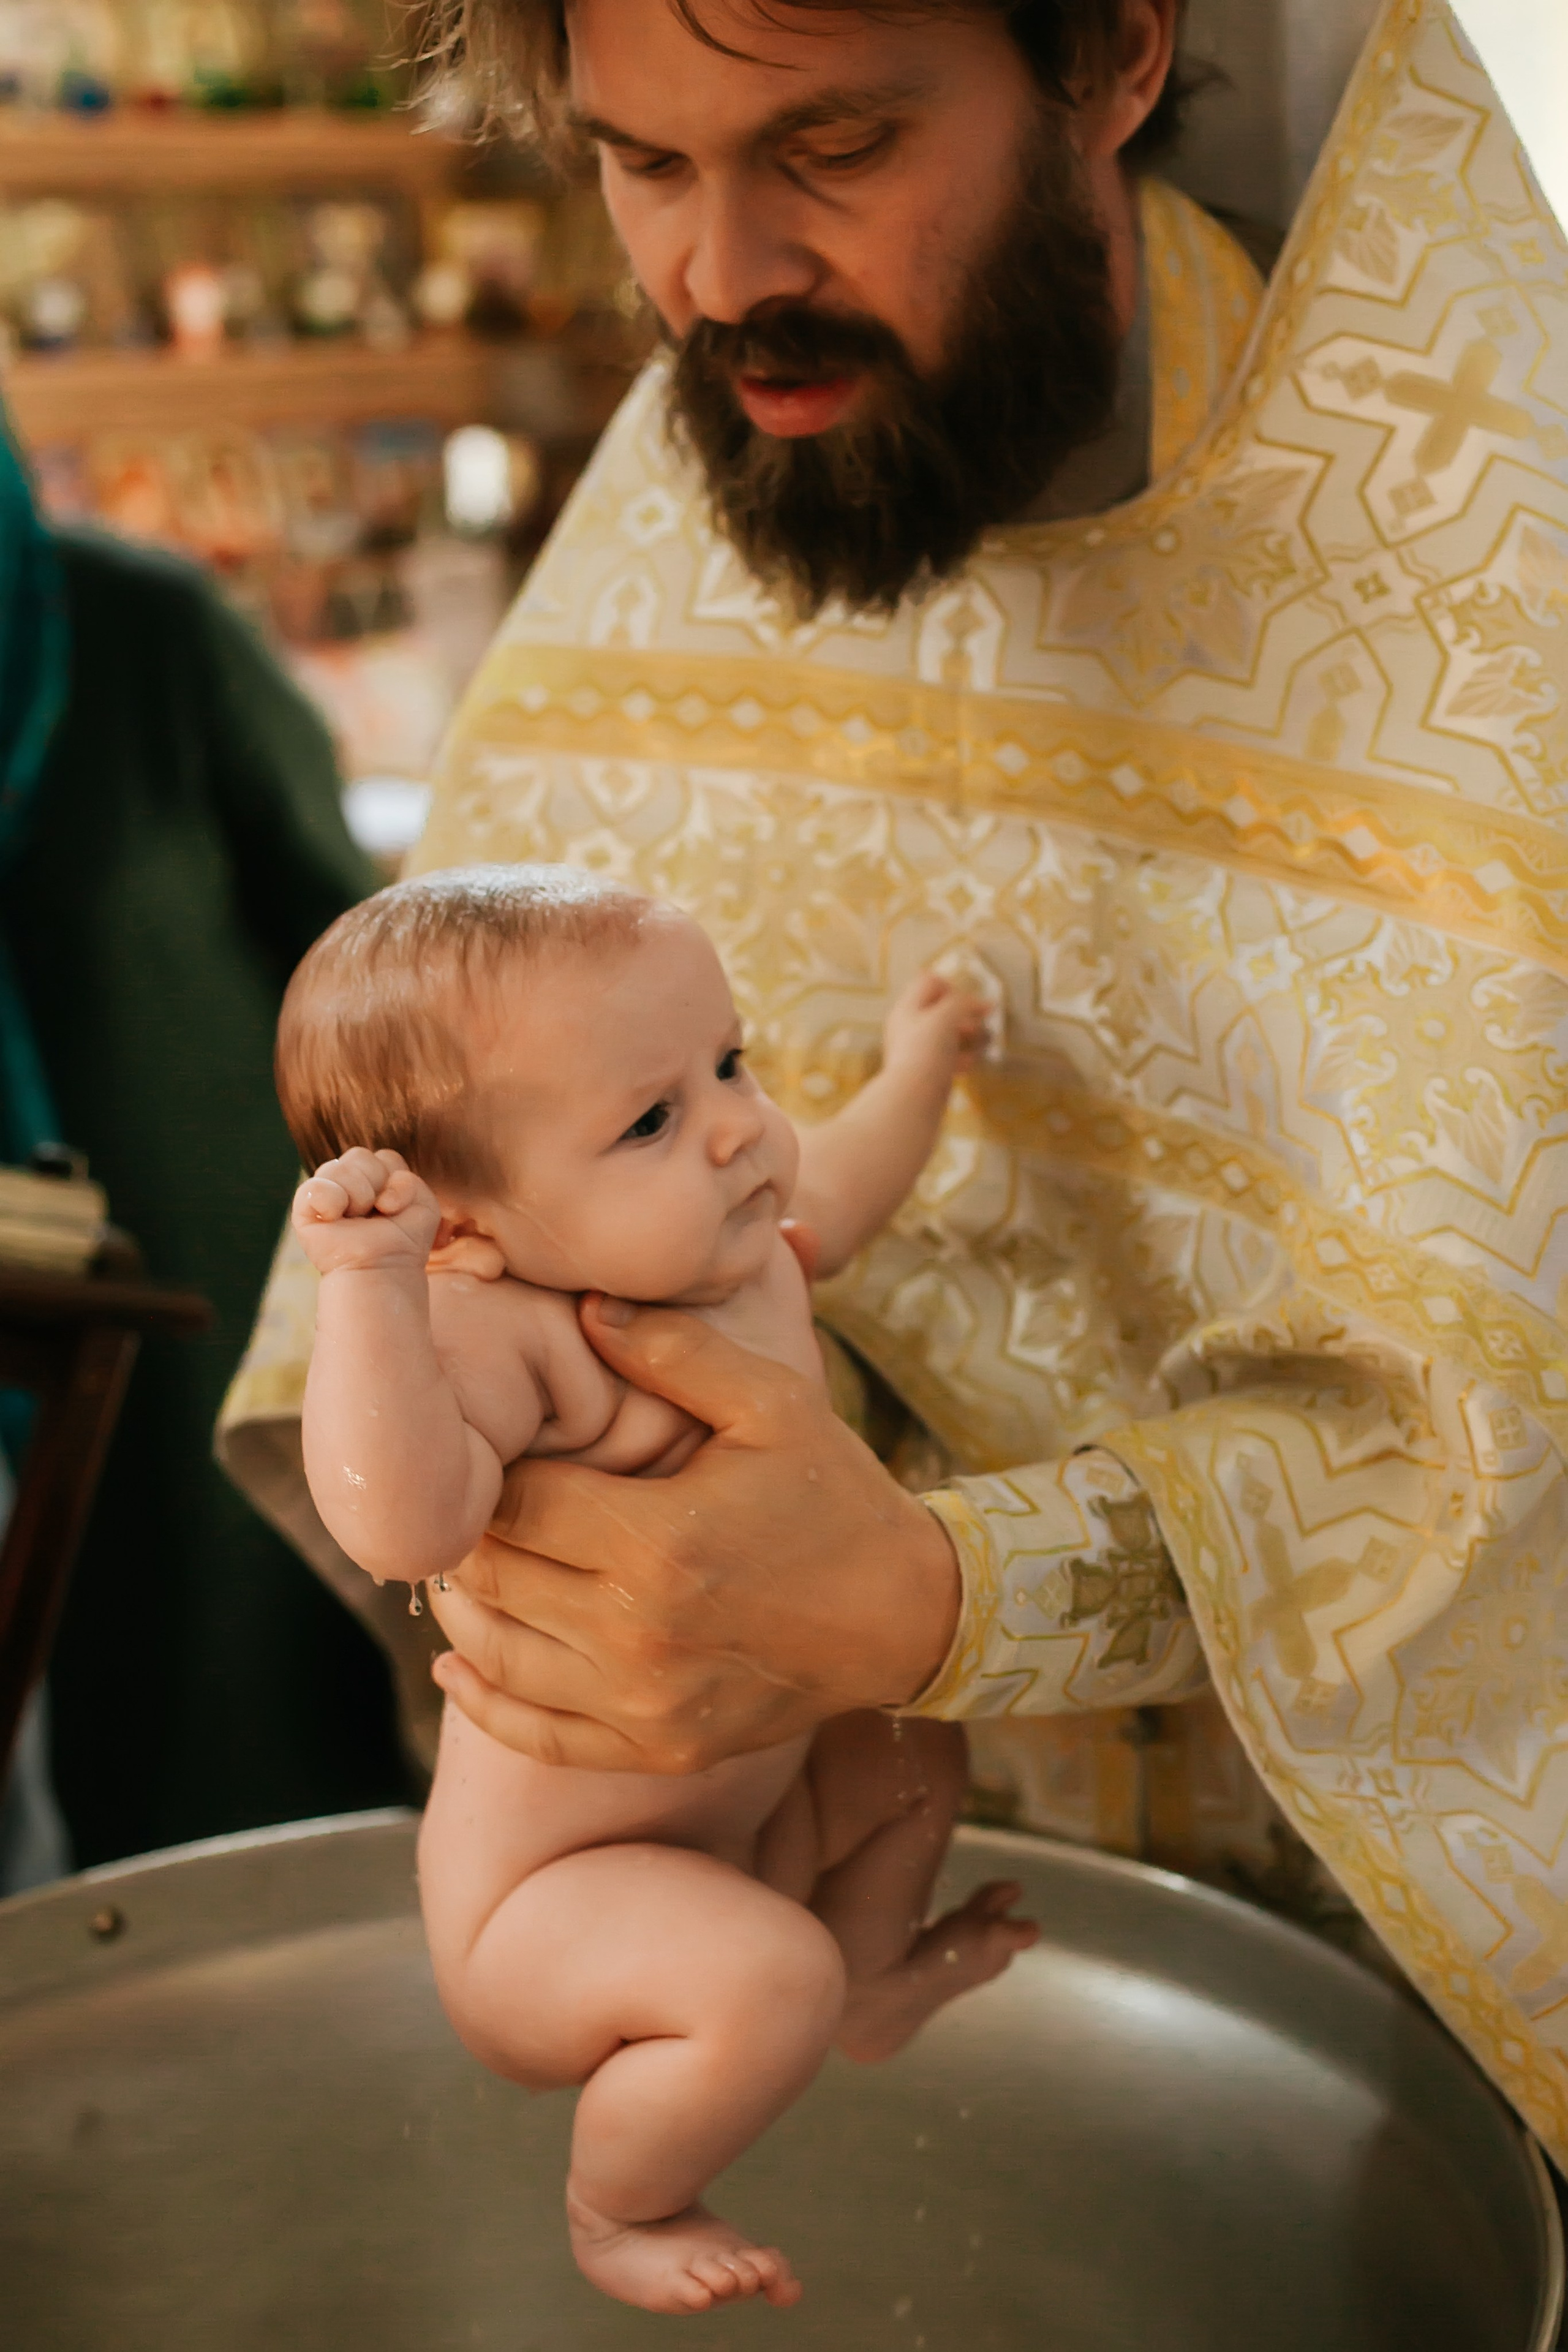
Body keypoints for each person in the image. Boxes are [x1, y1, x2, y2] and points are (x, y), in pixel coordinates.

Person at [222, 0, 1568, 2173]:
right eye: (638, 163)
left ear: (1116, 59)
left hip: (1394, 1971)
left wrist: (945, 1599)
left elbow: (1516, 1416)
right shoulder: (711, 473)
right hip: (786, 1898)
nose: (718, 276)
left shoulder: (1507, 556)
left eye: (831, 145)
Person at [279, 864, 1032, 2312]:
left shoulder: (741, 1266)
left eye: (728, 1063)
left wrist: (918, 1066)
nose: (742, 1124)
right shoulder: (496, 1334)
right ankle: (620, 2208)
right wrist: (369, 1294)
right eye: (650, 1119)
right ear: (463, 1229)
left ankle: (864, 1982)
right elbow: (402, 1521)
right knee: (763, 1980)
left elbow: (849, 1185)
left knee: (912, 1735)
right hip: (553, 1913)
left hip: (753, 1818)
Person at [0, 415, 409, 1875]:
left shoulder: (144, 633)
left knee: (234, 1726)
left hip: (211, 1302)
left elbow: (365, 960)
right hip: (23, 1319)